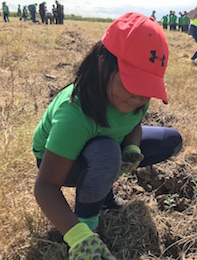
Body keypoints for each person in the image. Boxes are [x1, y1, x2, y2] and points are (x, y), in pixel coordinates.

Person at [33, 12, 183, 258]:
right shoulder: (75, 113)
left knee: (170, 141)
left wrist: (132, 149)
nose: (140, 98)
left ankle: (100, 187)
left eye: (147, 88)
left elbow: (132, 125)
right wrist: (79, 237)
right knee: (105, 152)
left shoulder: (137, 98)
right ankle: (86, 221)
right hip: (58, 162)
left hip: (104, 147)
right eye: (133, 83)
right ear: (103, 64)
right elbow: (45, 187)